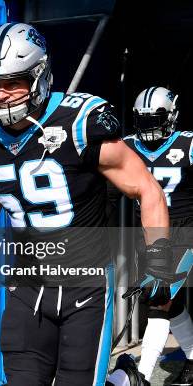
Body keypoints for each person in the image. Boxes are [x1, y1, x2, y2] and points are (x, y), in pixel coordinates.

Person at [0, 22, 171, 386]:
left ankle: (122, 381)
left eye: (13, 82)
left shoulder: (80, 123)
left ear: (40, 76)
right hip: (26, 287)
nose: (1, 95)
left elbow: (146, 189)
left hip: (86, 286)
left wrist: (159, 257)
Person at [108, 87, 193, 385]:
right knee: (170, 301)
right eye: (142, 121)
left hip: (183, 231)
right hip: (146, 235)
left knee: (160, 299)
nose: (148, 128)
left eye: (154, 119)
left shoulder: (188, 144)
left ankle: (141, 375)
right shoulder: (128, 145)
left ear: (171, 116)